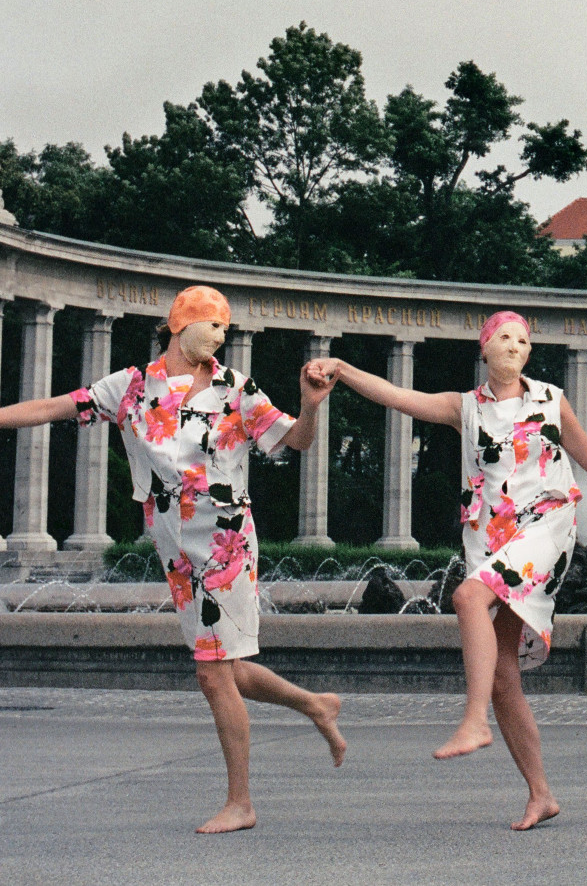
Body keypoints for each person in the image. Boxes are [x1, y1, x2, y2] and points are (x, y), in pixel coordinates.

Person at [0, 285, 347, 832]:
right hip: (175, 547)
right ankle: (315, 705)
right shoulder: (132, 386)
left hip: (227, 540)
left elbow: (296, 442)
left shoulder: (236, 388)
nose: (220, 336)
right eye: (212, 324)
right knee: (229, 666)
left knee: (212, 673)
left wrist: (310, 405)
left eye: (225, 327)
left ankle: (241, 803)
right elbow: (55, 406)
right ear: (180, 324)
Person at [310, 310, 587, 829]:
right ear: (485, 348)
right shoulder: (465, 407)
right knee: (502, 674)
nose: (515, 345)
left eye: (523, 339)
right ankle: (541, 794)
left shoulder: (550, 399)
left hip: (546, 524)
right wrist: (341, 368)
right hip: (491, 538)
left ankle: (474, 721)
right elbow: (396, 396)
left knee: (466, 597)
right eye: (504, 337)